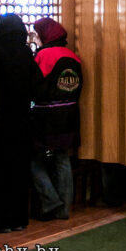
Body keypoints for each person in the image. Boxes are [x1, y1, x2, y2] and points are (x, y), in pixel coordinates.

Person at [0, 13, 47, 232]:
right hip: (22, 121)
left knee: (0, 171)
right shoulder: (25, 54)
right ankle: (18, 219)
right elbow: (38, 87)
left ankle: (1, 220)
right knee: (18, 171)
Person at [31, 16, 83, 220]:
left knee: (33, 158)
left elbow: (35, 85)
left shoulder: (45, 56)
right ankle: (64, 209)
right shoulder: (73, 56)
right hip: (71, 114)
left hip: (47, 116)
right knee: (62, 158)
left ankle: (51, 201)